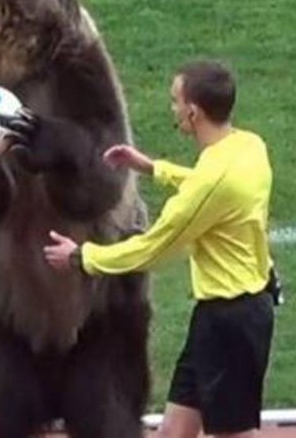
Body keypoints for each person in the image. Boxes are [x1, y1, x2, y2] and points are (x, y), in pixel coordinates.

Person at [43, 60, 279, 438]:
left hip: (232, 323)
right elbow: (209, 186)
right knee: (174, 431)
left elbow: (153, 247)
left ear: (193, 111)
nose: (172, 108)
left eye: (175, 100)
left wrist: (81, 256)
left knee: (233, 434)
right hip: (219, 316)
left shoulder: (214, 182)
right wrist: (152, 167)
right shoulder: (250, 147)